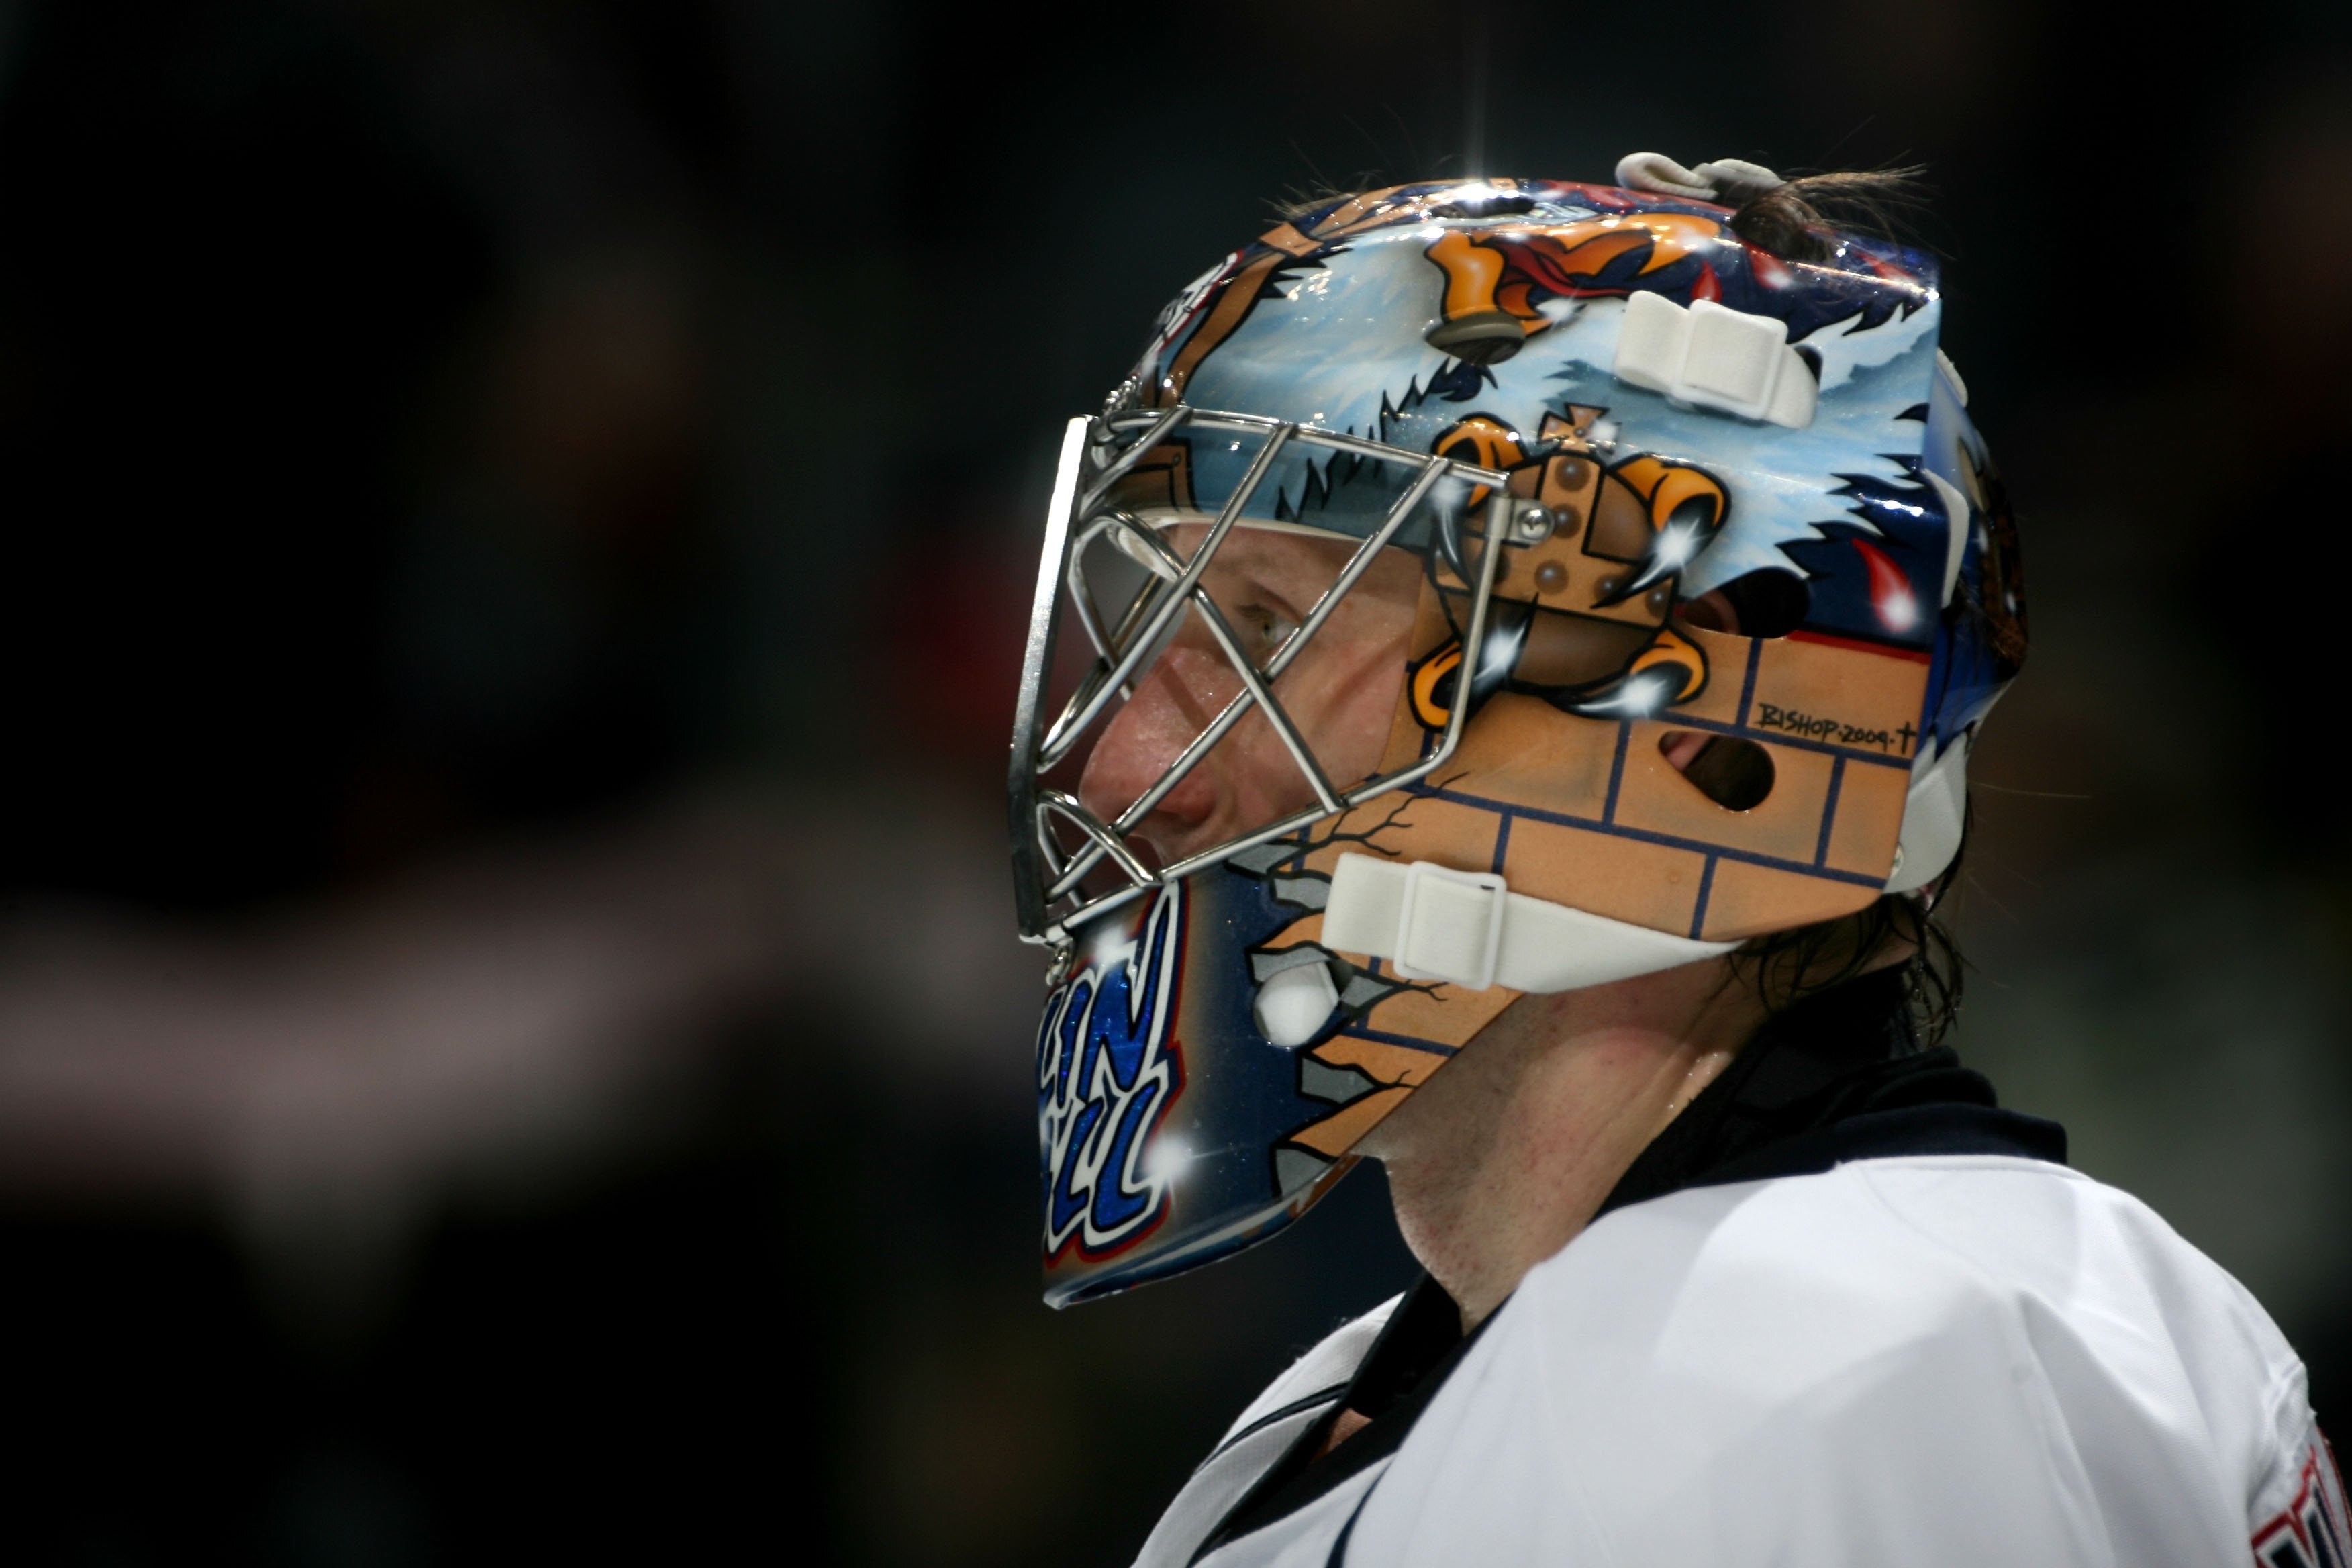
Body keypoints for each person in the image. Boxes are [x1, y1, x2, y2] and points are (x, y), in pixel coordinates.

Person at [1007, 154, 2346, 1564]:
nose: (1123, 769)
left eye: (1266, 631)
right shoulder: (1486, 1381)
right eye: (1164, 628)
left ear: (1674, 736)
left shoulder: (1827, 1376)